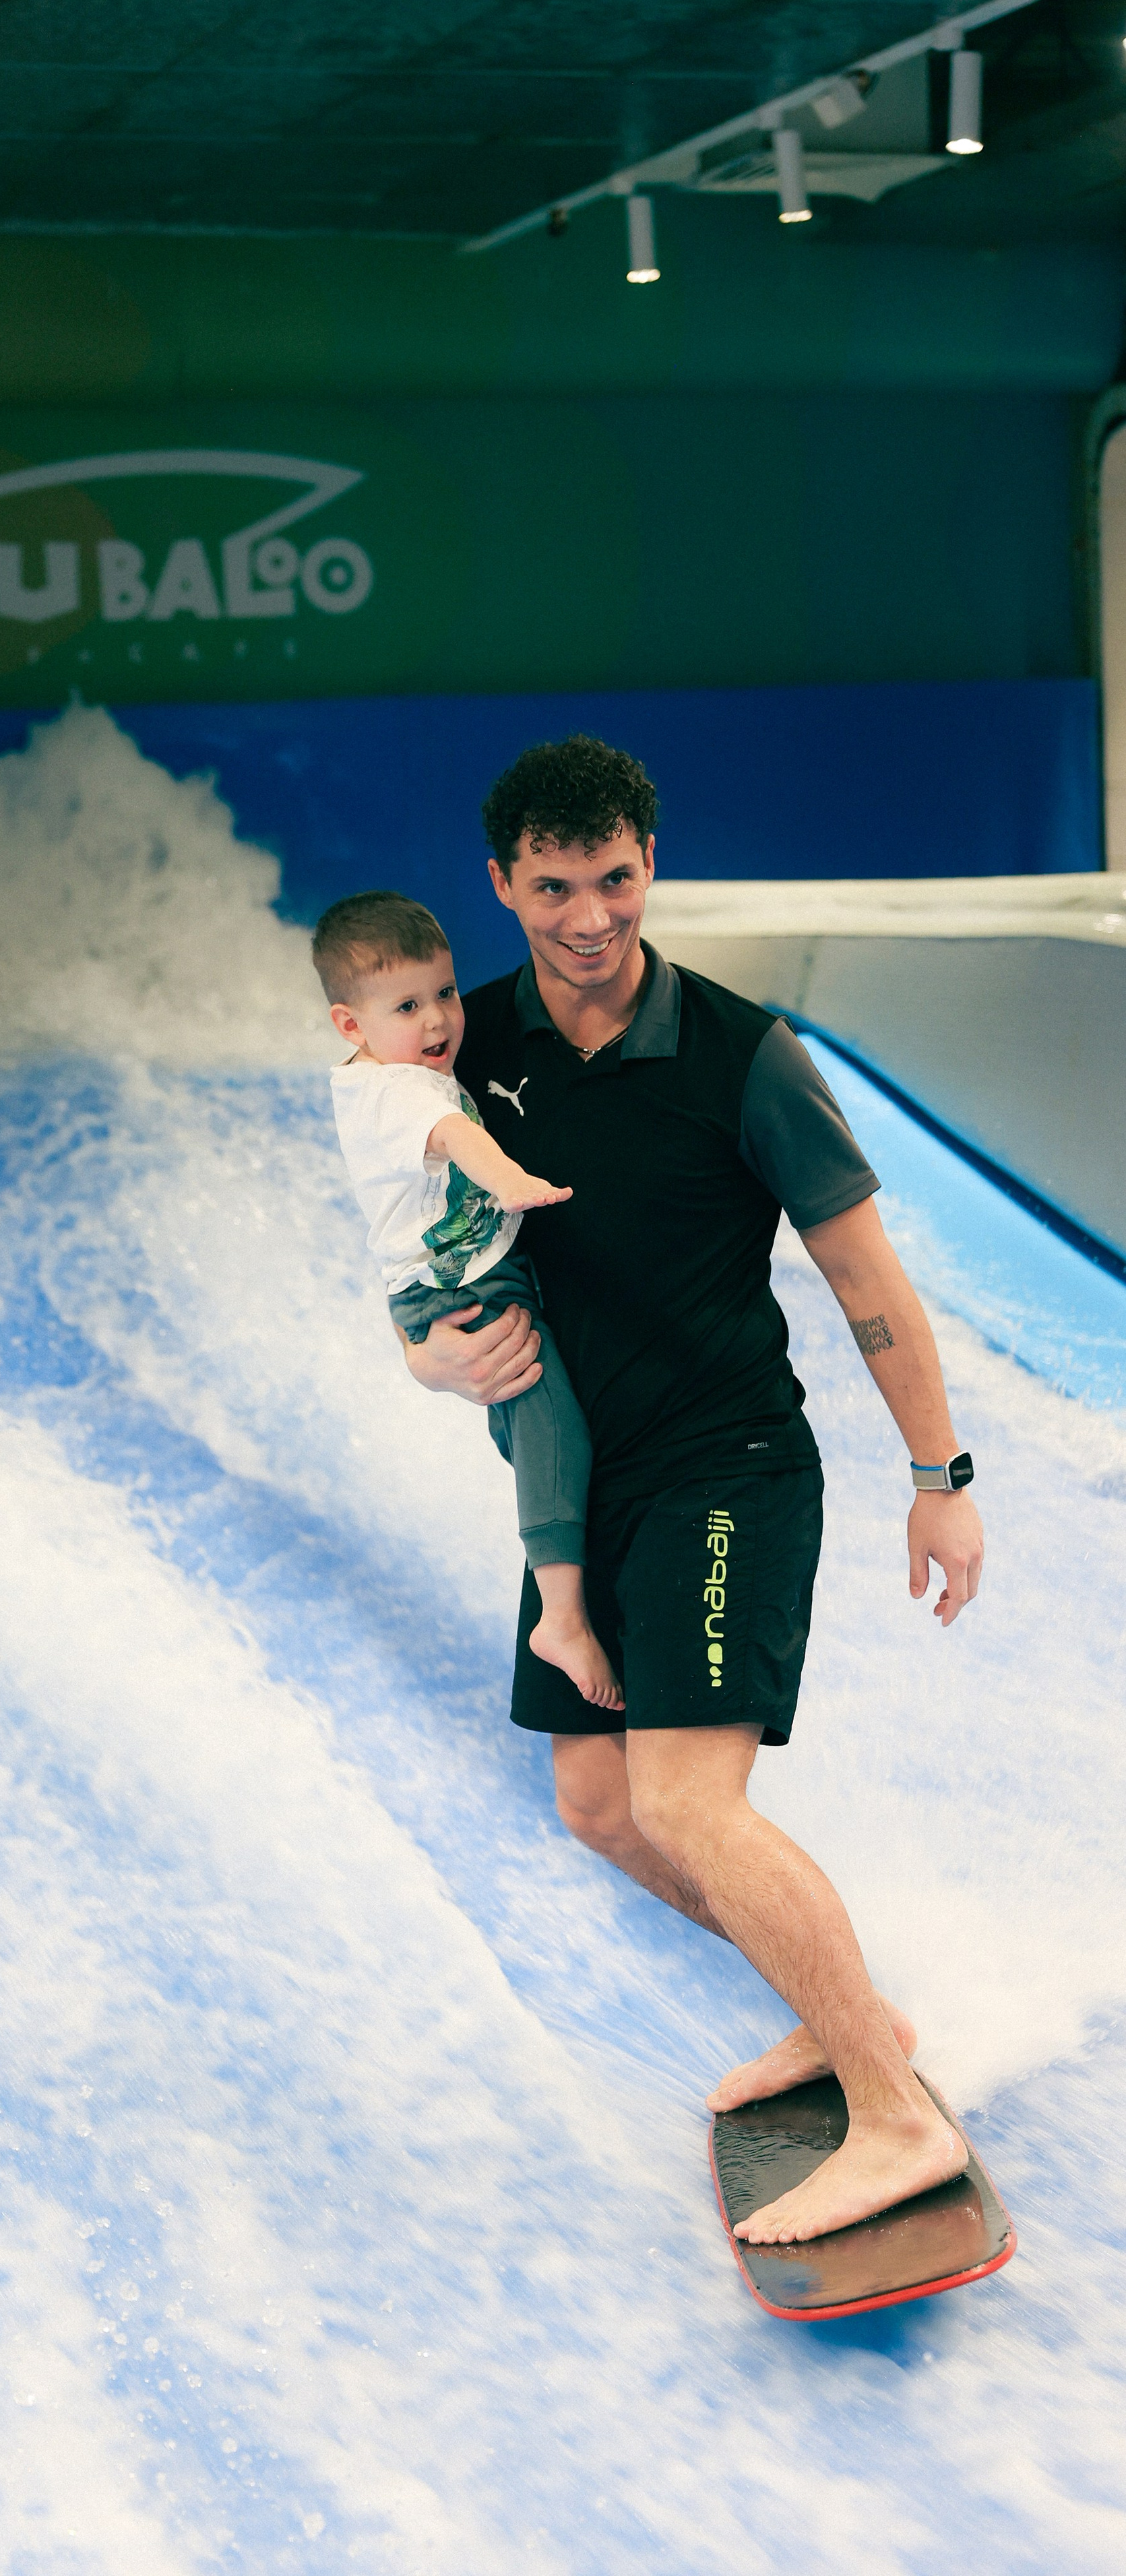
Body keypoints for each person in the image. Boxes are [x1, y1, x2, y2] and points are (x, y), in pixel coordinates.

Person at [402, 733, 984, 2246]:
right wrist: (427, 1361)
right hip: (583, 1485)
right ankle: (841, 2010)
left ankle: (893, 2114)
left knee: (684, 1794)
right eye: (552, 888)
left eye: (613, 878)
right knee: (600, 1808)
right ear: (501, 885)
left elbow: (865, 1278)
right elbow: (418, 1272)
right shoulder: (458, 1057)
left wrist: (937, 1478)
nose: (589, 918)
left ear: (647, 865)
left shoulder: (742, 1054)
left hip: (725, 1467)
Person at [314, 890, 620, 1708]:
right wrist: (512, 1181)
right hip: (462, 1287)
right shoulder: (396, 1092)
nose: (440, 1020)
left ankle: (559, 1532)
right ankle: (559, 1616)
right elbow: (454, 1137)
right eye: (407, 1006)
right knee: (546, 1414)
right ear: (352, 1027)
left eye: (445, 993)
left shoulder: (386, 1071)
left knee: (531, 1430)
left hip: (451, 1276)